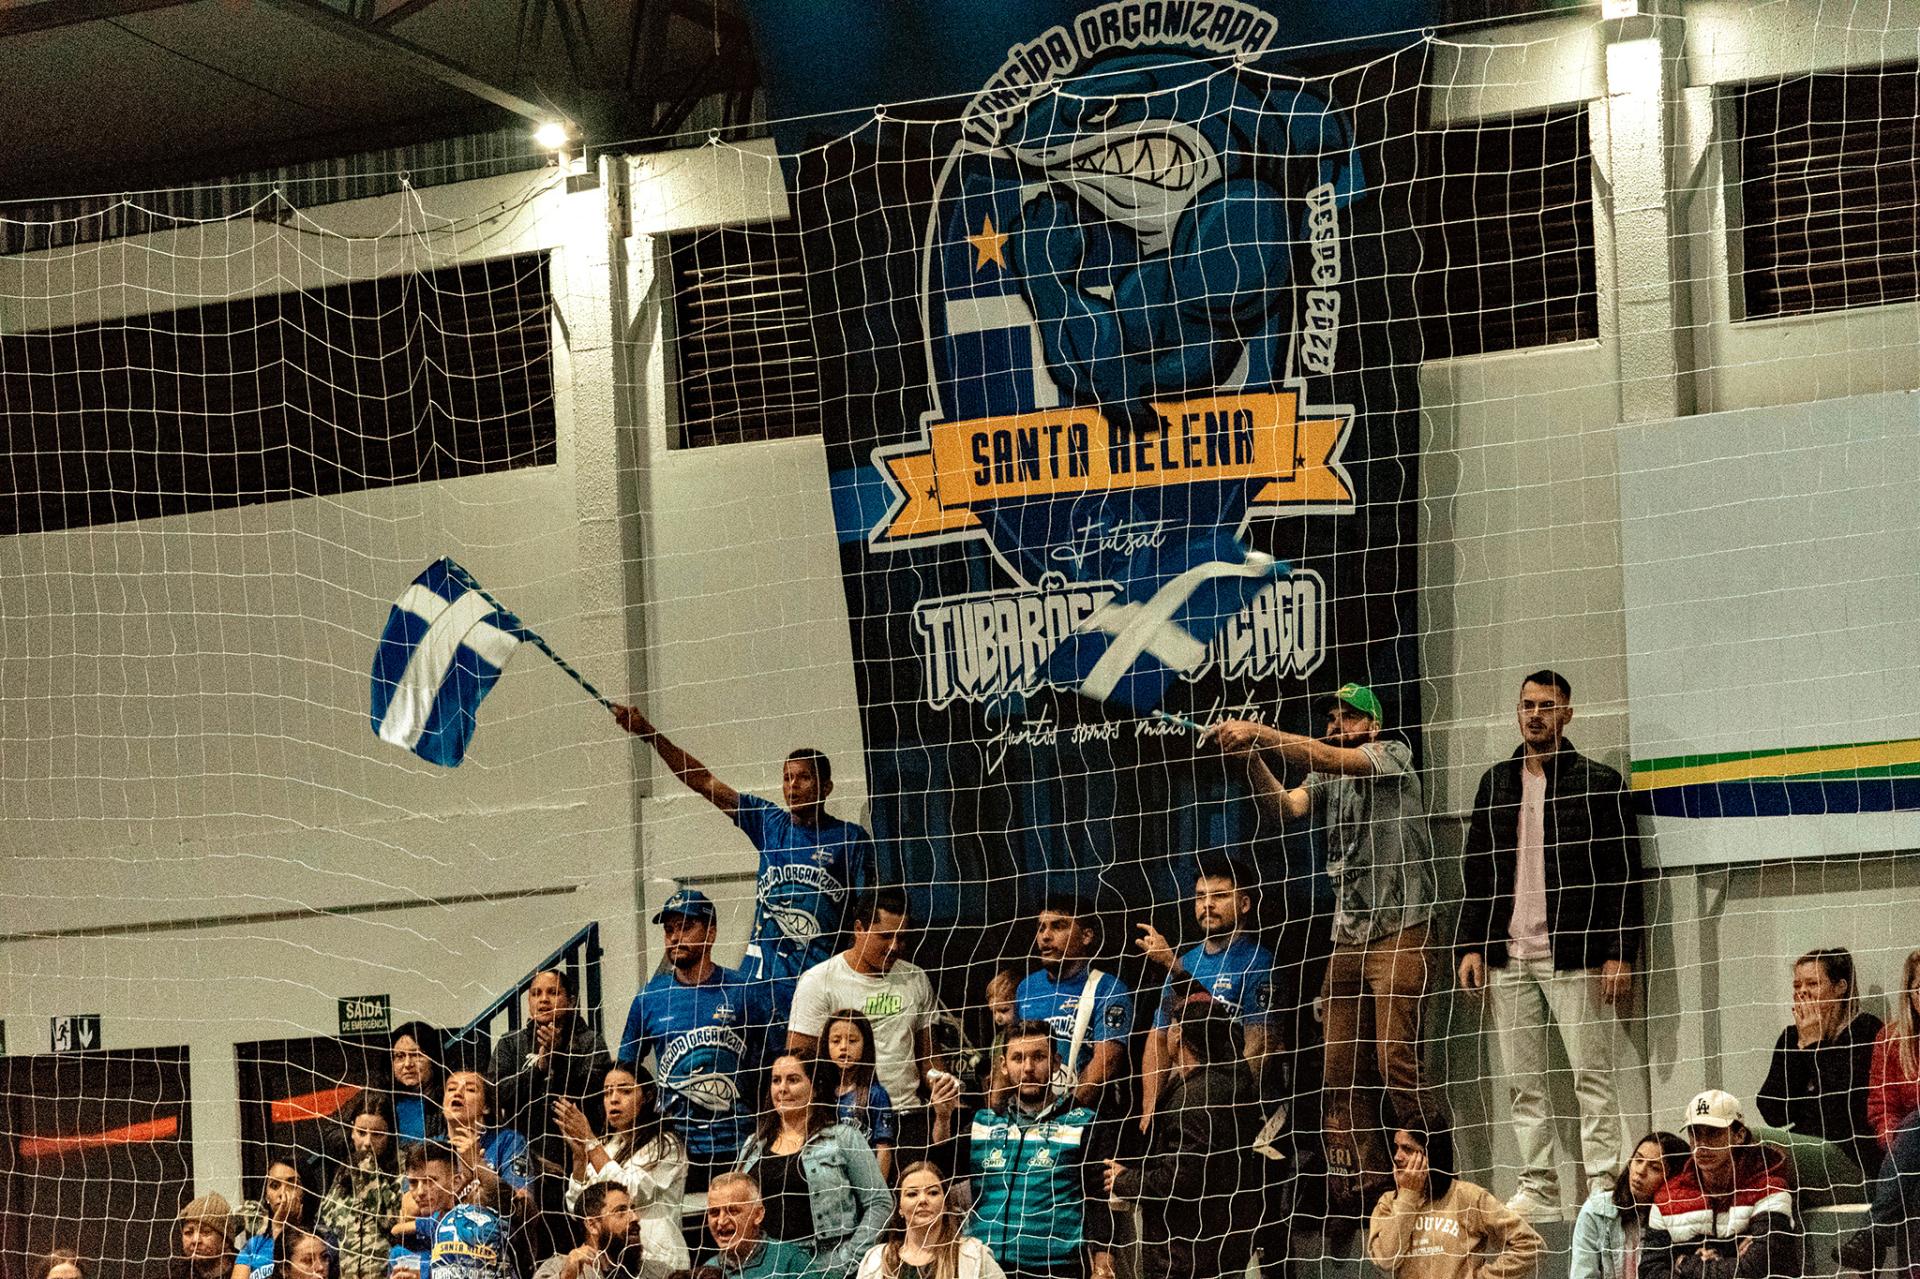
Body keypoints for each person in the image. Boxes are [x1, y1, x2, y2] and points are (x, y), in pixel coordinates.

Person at [1206, 682, 1437, 1213]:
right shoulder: (1326, 777)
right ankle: (1373, 1187)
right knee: (1337, 1069)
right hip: (1347, 936)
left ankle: (1436, 1175)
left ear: (1372, 726)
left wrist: (1260, 730)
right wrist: (1251, 758)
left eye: (1347, 717)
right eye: (1330, 716)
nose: (1335, 724)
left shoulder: (1391, 754)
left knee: (1395, 1059)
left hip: (1401, 927)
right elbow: (1284, 807)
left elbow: (1332, 755)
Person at [1454, 669, 1646, 1220]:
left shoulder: (1599, 782)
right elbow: (1479, 872)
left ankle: (1606, 1184)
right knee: (1522, 1083)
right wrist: (1471, 944)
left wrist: (1619, 951)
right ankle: (1538, 1186)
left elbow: (1623, 875)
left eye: (1546, 705)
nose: (1534, 714)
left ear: (1567, 714)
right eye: (1526, 704)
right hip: (1508, 958)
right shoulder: (1495, 783)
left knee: (1591, 1075)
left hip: (1575, 954)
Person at [610, 705, 872, 1007]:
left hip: (819, 983)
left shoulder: (850, 838)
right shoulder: (768, 822)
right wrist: (648, 733)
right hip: (760, 984)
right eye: (786, 778)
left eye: (803, 778)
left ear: (826, 787)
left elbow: (865, 918)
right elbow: (703, 781)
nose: (792, 786)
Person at [619, 889, 775, 1191]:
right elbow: (627, 1069)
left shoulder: (745, 990)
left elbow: (770, 1065)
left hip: (738, 1143)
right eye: (669, 930)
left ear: (712, 932)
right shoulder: (650, 997)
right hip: (672, 1147)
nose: (675, 937)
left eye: (686, 927)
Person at [1104, 996, 1264, 1279]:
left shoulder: (1195, 1100)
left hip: (1188, 1255)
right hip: (1225, 1248)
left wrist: (1125, 1180)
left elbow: (1182, 1178)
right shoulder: (1232, 1079)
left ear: (1178, 1034)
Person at [956, 1021, 1115, 1279]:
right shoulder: (982, 1123)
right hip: (982, 1266)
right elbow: (935, 1175)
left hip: (1055, 1268)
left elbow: (1100, 1199)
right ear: (1003, 1065)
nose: (1029, 1068)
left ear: (1055, 1062)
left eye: (1038, 1057)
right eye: (1018, 1058)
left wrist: (1103, 1264)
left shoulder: (1084, 1122)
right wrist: (941, 1119)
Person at [788, 889, 942, 1150]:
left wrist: (943, 1086)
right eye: (885, 936)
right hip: (847, 1120)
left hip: (908, 1116)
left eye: (901, 938)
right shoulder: (819, 982)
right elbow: (799, 1062)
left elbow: (929, 1059)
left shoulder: (915, 978)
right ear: (859, 929)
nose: (894, 946)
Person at [1132, 853, 1276, 1124]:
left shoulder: (1259, 963)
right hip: (1185, 1107)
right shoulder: (1185, 961)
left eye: (1219, 896)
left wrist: (1228, 1105)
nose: (1207, 905)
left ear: (1244, 903)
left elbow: (1260, 1046)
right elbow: (1159, 1037)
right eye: (1200, 896)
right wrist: (1150, 1108)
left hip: (1232, 1110)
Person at [735, 1053, 890, 1278]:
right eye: (776, 1080)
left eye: (793, 1079)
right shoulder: (753, 1144)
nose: (782, 1088)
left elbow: (879, 1203)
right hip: (764, 1268)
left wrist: (846, 1260)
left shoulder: (844, 1138)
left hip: (820, 1265)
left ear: (815, 1088)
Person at [1755, 946, 1881, 1194]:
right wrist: (1802, 1047)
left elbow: (1841, 1110)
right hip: (1808, 1145)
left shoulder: (1866, 1030)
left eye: (1812, 983)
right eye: (1797, 985)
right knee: (1749, 1143)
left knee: (1762, 1148)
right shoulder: (1792, 1036)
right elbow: (1773, 1110)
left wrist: (1815, 1046)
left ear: (1840, 987)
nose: (1802, 992)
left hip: (1851, 1154)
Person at [1639, 1090, 1802, 1279]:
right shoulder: (1668, 1197)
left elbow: (1757, 1269)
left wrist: (1683, 1263)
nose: (1702, 1144)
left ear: (1739, 1135)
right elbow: (1649, 1271)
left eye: (1713, 1133)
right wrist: (1732, 1257)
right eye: (1695, 1134)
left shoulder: (1769, 1187)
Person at [555, 1061, 690, 1271]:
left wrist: (590, 1141)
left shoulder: (666, 1144)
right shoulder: (608, 1148)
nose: (614, 1099)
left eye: (625, 1091)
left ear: (647, 1097)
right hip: (613, 1260)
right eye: (607, 1093)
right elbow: (580, 1208)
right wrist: (580, 1159)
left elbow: (632, 1191)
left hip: (659, 1257)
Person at [1367, 1120, 1542, 1279]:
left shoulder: (1467, 1196)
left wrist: (1482, 1277)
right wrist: (1408, 1196)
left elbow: (1529, 1243)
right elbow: (1385, 1261)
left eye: (1408, 1149)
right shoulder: (1388, 1203)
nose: (1397, 1157)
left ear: (1430, 1155)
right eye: (1396, 1147)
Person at [1013, 896, 1134, 1110]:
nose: (1045, 937)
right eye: (1041, 928)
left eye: (1058, 927)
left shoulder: (1107, 988)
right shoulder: (1026, 988)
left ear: (1086, 936)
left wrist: (1064, 1114)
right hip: (1029, 1114)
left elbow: (1107, 1062)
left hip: (1087, 1116)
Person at [1841, 948, 1920, 1271]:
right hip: (1908, 1159)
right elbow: (1880, 1110)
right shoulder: (1890, 1039)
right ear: (1910, 992)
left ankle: (1873, 1234)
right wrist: (1901, 1145)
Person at [491, 970, 610, 1183]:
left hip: (576, 1155)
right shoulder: (510, 1043)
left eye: (553, 992)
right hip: (523, 1157)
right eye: (536, 994)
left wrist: (559, 1058)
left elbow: (591, 1095)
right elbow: (497, 1093)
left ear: (571, 1001)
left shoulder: (591, 1042)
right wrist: (539, 1068)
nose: (543, 1000)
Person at [1570, 1132, 1690, 1279]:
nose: (1640, 1171)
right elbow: (1582, 1274)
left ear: (1673, 1178)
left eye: (1655, 1168)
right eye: (1638, 1160)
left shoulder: (1681, 1219)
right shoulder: (1596, 1210)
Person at [854, 1162, 1005, 1279]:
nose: (922, 1200)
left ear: (945, 1204)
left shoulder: (974, 1255)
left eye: (933, 1192)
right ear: (899, 1207)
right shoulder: (876, 1260)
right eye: (912, 1194)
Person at [318, 1101, 405, 1279]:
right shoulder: (343, 1172)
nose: (367, 1142)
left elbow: (393, 1223)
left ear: (390, 1136)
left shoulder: (404, 1170)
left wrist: (369, 1173)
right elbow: (325, 1222)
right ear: (351, 1132)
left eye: (377, 1134)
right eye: (361, 1132)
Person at [700, 1172, 826, 1279]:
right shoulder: (707, 1270)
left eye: (733, 1211)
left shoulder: (791, 1261)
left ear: (758, 1215)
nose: (721, 1221)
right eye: (714, 1213)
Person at [819, 1010, 897, 1180]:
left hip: (863, 1181)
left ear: (865, 1046)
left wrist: (877, 1193)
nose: (844, 1046)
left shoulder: (876, 1095)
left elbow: (884, 1149)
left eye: (852, 1040)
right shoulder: (820, 1094)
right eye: (836, 1040)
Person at [442, 1070, 534, 1212]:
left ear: (486, 1107)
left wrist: (477, 1165)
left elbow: (525, 1205)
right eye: (451, 1088)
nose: (457, 1093)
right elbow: (409, 1209)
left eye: (470, 1089)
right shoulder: (432, 1147)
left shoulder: (508, 1141)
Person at [532, 1185, 669, 1279]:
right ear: (592, 1225)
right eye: (621, 1211)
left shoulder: (660, 1272)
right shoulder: (558, 1267)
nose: (635, 1217)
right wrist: (566, 1276)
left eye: (632, 1209)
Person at [236, 1156, 318, 1279]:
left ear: (306, 1191)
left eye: (292, 1184)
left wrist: (281, 1229)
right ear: (266, 1197)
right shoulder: (254, 1245)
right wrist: (277, 1229)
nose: (282, 1192)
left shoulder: (322, 1238)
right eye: (274, 1186)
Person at [389, 1142, 460, 1279]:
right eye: (413, 1183)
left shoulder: (470, 1226)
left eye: (429, 1181)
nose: (420, 1192)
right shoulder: (405, 1254)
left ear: (455, 1183)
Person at [390, 1025, 449, 1147]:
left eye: (416, 1055)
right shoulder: (381, 1100)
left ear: (434, 1059)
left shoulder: (450, 1100)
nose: (407, 1064)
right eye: (400, 1056)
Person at [159, 1194, 235, 1279]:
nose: (195, 1240)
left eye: (206, 1232)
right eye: (188, 1232)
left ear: (226, 1241)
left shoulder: (248, 1270)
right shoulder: (174, 1274)